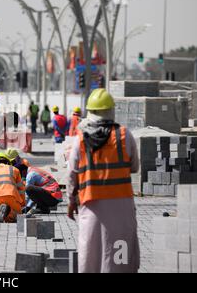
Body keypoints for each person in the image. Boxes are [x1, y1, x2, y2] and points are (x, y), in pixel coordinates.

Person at [66, 88, 140, 273]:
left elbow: (72, 175)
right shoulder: (124, 135)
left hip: (91, 208)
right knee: (119, 255)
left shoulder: (80, 140)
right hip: (121, 209)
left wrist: (70, 201)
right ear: (111, 111)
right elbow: (135, 167)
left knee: (90, 255)